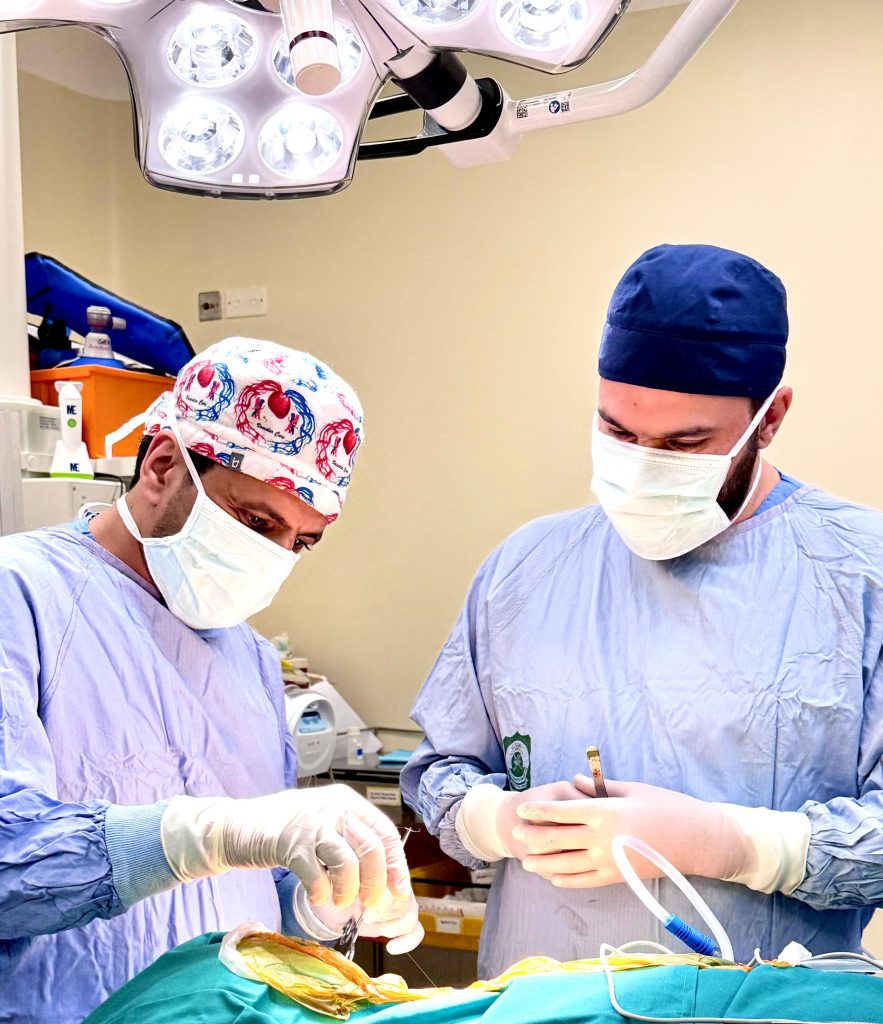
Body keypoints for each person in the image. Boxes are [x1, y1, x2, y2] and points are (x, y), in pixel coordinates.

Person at [401, 244, 883, 977]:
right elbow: (441, 771)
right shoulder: (523, 569)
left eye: (685, 443)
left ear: (770, 418)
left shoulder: (860, 574)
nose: (645, 464)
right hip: (540, 1005)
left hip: (762, 1007)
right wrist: (497, 821)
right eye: (618, 433)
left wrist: (738, 845)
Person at [0, 336, 420, 1024]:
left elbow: (257, 897)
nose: (275, 557)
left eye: (300, 541)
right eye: (256, 521)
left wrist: (321, 902)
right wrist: (205, 834)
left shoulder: (251, 661)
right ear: (163, 464)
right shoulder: (19, 597)